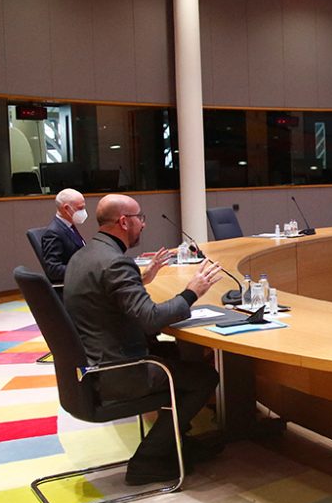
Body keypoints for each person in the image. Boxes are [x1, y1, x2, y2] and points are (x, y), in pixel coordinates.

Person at [64, 194, 224, 485]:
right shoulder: (115, 262)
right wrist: (192, 292)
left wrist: (141, 280)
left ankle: (176, 442)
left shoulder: (85, 255)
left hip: (94, 363)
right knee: (204, 377)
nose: (144, 225)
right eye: (141, 218)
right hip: (118, 371)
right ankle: (149, 458)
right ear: (124, 221)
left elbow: (114, 304)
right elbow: (149, 318)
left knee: (182, 356)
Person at [40, 188, 88, 284]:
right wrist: (84, 271)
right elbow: (53, 270)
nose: (83, 212)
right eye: (80, 208)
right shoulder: (53, 233)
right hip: (74, 286)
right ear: (66, 208)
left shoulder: (69, 226)